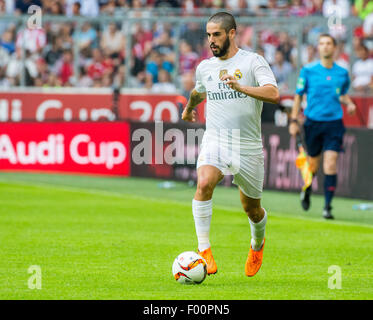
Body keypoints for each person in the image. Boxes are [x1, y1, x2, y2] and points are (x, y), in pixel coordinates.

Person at [181, 12, 279, 277]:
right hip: (217, 139)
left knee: (252, 209)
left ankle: (257, 245)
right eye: (208, 35)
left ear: (232, 33)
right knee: (203, 183)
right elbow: (199, 91)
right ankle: (204, 250)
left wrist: (241, 87)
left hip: (247, 145)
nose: (211, 40)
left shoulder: (252, 62)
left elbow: (273, 93)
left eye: (217, 34)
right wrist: (190, 107)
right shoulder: (205, 67)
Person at [289, 34, 356, 220]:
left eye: (328, 44)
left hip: (334, 123)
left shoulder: (342, 73)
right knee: (313, 165)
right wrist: (294, 121)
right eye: (322, 44)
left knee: (331, 162)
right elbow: (298, 96)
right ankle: (308, 188)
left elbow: (341, 94)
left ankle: (327, 206)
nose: (325, 47)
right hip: (313, 123)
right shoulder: (308, 70)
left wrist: (349, 103)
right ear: (318, 48)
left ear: (334, 48)